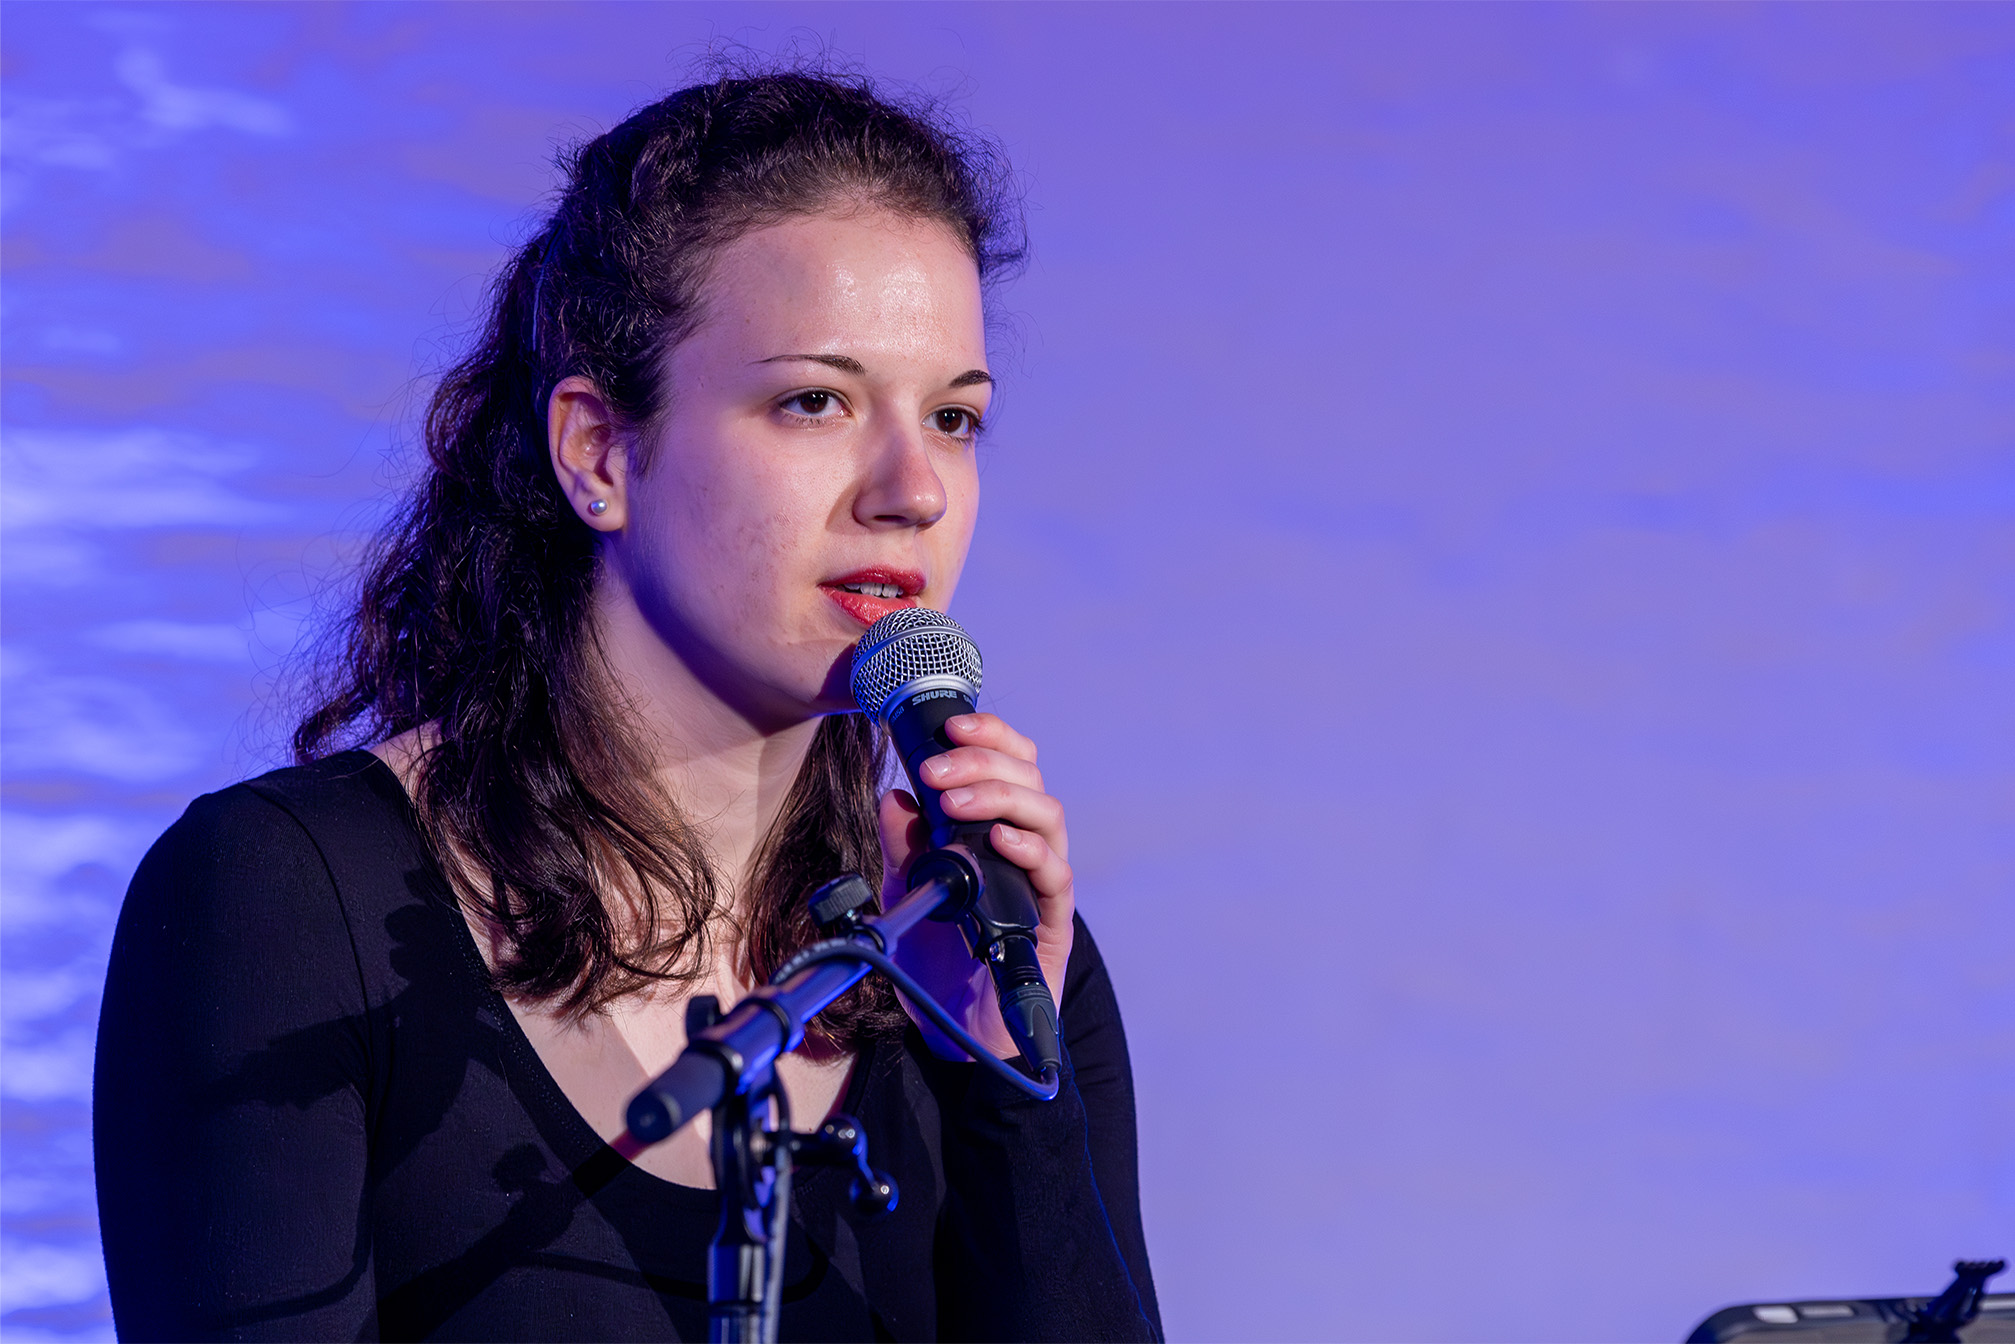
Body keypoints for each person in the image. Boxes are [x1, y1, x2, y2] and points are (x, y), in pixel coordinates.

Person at [93, 68, 1160, 1342]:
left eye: (953, 417)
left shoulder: (982, 940)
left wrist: (1009, 1086)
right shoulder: (285, 900)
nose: (913, 489)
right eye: (814, 401)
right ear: (598, 451)